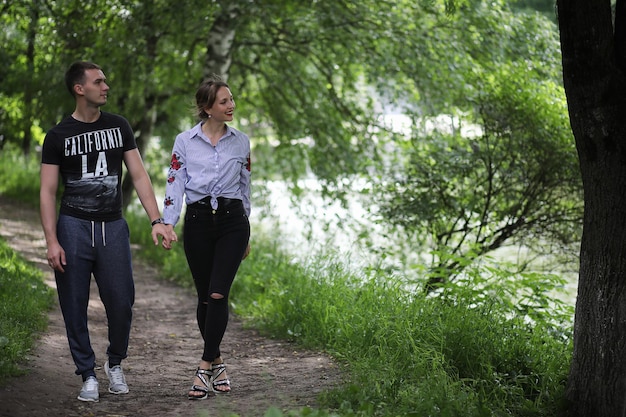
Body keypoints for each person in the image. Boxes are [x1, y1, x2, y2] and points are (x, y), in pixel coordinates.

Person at [40, 61, 177, 403]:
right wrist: (52, 241)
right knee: (73, 305)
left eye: (105, 81)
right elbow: (47, 191)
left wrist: (156, 220)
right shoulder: (57, 136)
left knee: (121, 302)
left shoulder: (119, 126)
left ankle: (114, 362)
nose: (106, 87)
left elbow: (140, 175)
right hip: (72, 226)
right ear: (79, 88)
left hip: (113, 226)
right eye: (99, 82)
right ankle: (87, 374)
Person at [162, 77, 251, 400]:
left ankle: (202, 367)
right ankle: (218, 363)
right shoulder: (184, 141)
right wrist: (168, 222)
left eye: (231, 99)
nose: (232, 106)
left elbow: (244, 187)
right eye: (224, 101)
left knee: (217, 295)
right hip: (198, 223)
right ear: (206, 108)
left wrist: (247, 229)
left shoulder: (241, 142)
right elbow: (174, 183)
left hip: (232, 223)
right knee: (203, 297)